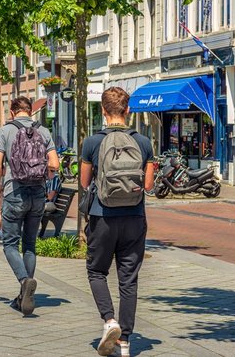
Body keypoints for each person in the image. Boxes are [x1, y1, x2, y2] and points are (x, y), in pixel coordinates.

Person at [80, 87, 154, 357]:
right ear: (128, 110)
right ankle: (125, 341)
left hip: (102, 217)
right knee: (129, 280)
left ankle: (109, 320)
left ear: (102, 110)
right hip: (134, 218)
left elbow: (85, 182)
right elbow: (147, 185)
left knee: (96, 272)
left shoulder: (91, 142)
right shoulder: (144, 143)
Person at [0, 96, 59, 316]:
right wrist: (43, 178)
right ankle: (24, 296)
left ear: (12, 112)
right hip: (38, 193)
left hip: (14, 192)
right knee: (29, 244)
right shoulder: (44, 131)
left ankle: (24, 282)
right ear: (30, 112)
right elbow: (54, 164)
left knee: (10, 244)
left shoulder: (5, 131)